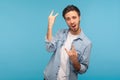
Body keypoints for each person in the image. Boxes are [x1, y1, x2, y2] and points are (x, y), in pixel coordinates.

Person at [44, 5, 92, 80]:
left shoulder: (87, 43)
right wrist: (50, 26)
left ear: (79, 17)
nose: (72, 21)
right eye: (68, 19)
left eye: (74, 17)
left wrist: (75, 61)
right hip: (50, 77)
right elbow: (49, 48)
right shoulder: (60, 33)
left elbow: (83, 69)